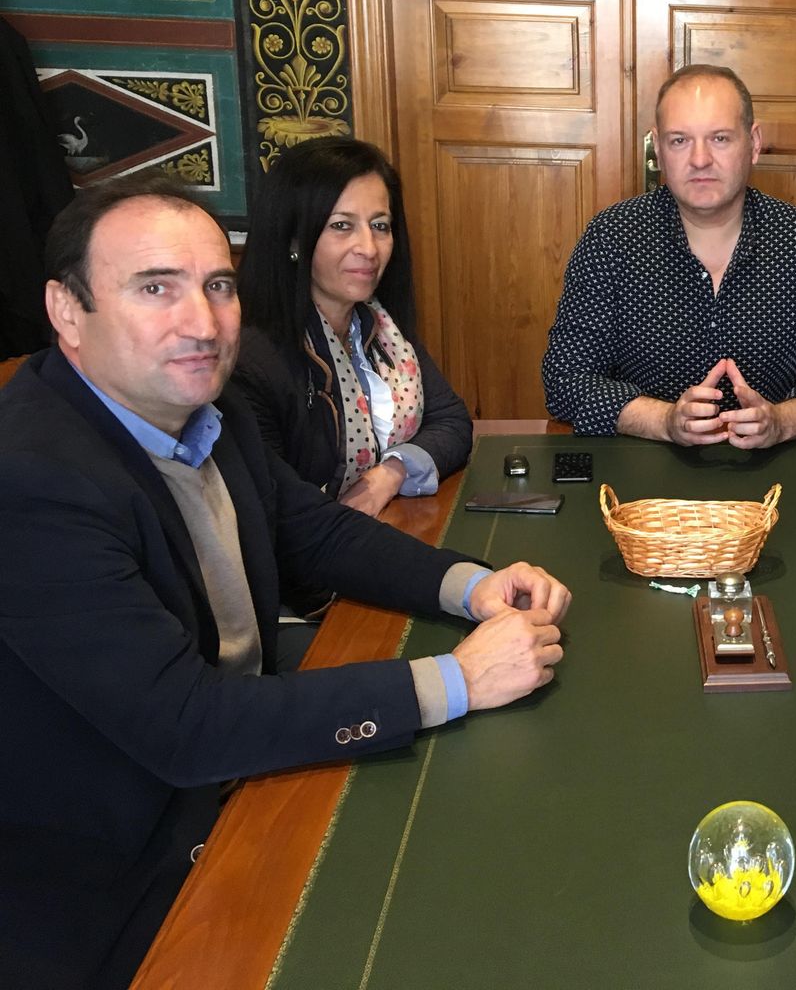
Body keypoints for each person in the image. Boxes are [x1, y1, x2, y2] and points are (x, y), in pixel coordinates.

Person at [0, 175, 569, 989]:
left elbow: (317, 529)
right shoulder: (31, 480)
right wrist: (457, 680)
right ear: (66, 310)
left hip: (231, 782)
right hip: (119, 884)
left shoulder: (203, 409)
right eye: (155, 288)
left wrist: (472, 585)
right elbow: (187, 725)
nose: (202, 323)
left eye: (217, 286)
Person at [543, 64, 796, 447]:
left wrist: (781, 421)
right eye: (680, 141)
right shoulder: (612, 238)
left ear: (753, 144)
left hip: (769, 471)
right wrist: (663, 420)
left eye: (719, 138)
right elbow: (564, 379)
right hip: (642, 470)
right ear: (658, 149)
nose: (700, 159)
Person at [233, 137, 471, 532]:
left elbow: (451, 420)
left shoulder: (381, 326)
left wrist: (390, 473)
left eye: (380, 226)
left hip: (387, 531)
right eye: (341, 226)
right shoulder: (253, 361)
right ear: (294, 238)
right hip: (313, 576)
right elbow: (281, 516)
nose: (369, 248)